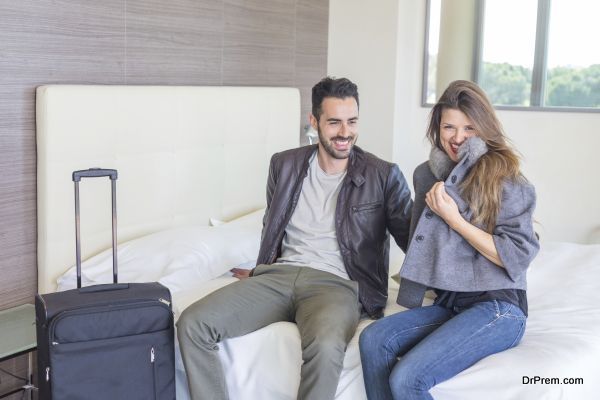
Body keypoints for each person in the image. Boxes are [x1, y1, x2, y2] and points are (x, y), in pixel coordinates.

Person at [177, 76, 413, 400]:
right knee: (193, 323)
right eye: (334, 123)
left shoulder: (383, 175)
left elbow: (415, 243)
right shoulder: (284, 164)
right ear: (314, 122)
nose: (345, 133)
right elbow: (272, 225)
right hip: (277, 277)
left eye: (352, 121)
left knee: (327, 344)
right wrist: (261, 268)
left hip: (337, 284)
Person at [359, 80, 540, 400]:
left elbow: (517, 255)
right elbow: (421, 241)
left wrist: (454, 219)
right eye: (449, 127)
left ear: (485, 128)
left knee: (407, 379)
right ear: (437, 128)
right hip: (452, 304)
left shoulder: (505, 177)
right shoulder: (426, 175)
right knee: (374, 340)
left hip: (500, 307)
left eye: (469, 127)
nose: (457, 138)